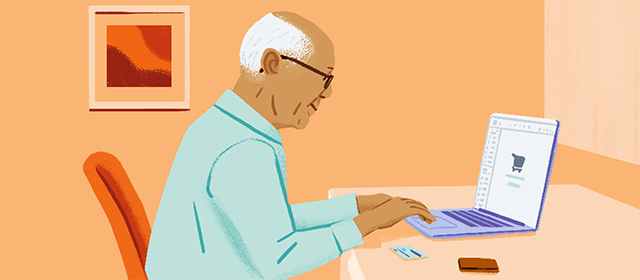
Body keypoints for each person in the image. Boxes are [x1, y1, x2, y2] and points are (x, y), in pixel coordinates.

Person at [145, 11, 436, 280]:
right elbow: (280, 258)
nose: (328, 91)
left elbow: (269, 222)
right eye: (324, 76)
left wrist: (356, 206)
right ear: (273, 64)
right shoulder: (245, 148)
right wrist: (368, 223)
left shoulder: (220, 126)